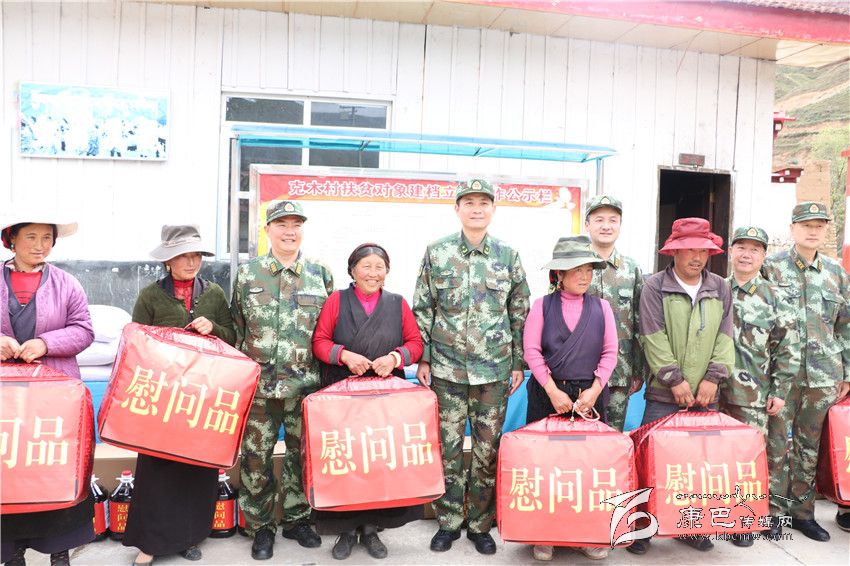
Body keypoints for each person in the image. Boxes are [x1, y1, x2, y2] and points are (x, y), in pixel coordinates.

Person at [413, 179, 530, 556]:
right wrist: (425, 356)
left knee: (486, 451)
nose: (476, 209)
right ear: (457, 209)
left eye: (483, 203)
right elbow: (423, 307)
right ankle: (448, 522)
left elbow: (519, 312)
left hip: (494, 371)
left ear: (493, 209)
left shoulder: (508, 256)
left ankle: (480, 524)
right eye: (469, 203)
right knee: (447, 448)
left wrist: (517, 362)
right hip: (446, 370)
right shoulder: (438, 252)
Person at [123, 225, 236, 566]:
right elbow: (136, 341)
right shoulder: (150, 296)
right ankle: (150, 542)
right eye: (183, 256)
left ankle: (190, 536)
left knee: (196, 468)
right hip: (162, 395)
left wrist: (213, 328)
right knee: (157, 469)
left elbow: (232, 337)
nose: (191, 262)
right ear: (168, 261)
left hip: (202, 394)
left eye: (196, 255)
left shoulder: (214, 294)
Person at [232, 200, 334, 561]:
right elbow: (237, 329)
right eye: (281, 225)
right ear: (268, 230)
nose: (289, 232)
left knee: (301, 454)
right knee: (255, 458)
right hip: (259, 388)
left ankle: (297, 519)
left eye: (296, 225)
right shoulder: (248, 274)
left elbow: (328, 331)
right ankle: (260, 526)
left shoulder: (320, 274)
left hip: (305, 386)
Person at [311, 243, 424, 560]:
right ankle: (345, 530)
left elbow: (416, 343)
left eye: (379, 267)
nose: (373, 273)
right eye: (366, 266)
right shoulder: (337, 300)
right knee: (346, 461)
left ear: (387, 272)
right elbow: (319, 342)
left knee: (377, 460)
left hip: (384, 396)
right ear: (352, 271)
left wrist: (395, 358)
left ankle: (373, 528)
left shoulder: (397, 304)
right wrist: (344, 355)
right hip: (342, 394)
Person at [631, 217, 734, 555]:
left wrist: (713, 377)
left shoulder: (719, 287)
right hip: (663, 393)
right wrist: (674, 379)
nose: (697, 257)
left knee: (697, 465)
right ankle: (642, 528)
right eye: (689, 249)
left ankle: (690, 526)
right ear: (673, 251)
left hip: (706, 394)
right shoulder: (655, 286)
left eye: (703, 250)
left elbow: (725, 335)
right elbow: (652, 336)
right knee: (650, 459)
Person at [0, 215, 95, 566]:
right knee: (8, 469)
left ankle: (60, 551)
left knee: (53, 466)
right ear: (11, 239)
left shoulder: (67, 284)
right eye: (31, 237)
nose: (40, 245)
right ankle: (11, 553)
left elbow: (83, 330)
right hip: (5, 401)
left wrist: (45, 343)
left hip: (53, 398)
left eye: (46, 238)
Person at [522, 235, 617, 562]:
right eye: (576, 269)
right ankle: (544, 535)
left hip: (589, 397)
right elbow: (532, 351)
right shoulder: (542, 306)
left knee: (587, 469)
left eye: (588, 269)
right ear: (559, 274)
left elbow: (610, 352)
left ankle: (586, 535)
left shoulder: (602, 308)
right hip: (548, 394)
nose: (584, 275)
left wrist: (594, 390)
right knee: (546, 467)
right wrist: (552, 391)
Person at [762, 202, 850, 542]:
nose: (813, 231)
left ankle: (803, 514)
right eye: (806, 225)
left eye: (819, 226)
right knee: (775, 445)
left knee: (809, 448)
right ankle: (773, 512)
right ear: (793, 228)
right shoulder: (771, 268)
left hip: (824, 376)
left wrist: (847, 374)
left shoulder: (836, 273)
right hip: (781, 377)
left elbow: (845, 326)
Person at [720, 226, 800, 547]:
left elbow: (788, 348)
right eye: (741, 247)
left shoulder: (774, 297)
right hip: (715, 392)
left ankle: (753, 518)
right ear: (731, 251)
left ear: (764, 256)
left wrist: (780, 391)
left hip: (755, 395)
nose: (746, 254)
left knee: (756, 457)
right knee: (721, 457)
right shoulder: (717, 289)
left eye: (755, 249)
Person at [583, 195, 645, 432]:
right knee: (578, 438)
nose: (606, 226)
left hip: (620, 372)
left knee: (613, 438)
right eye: (599, 220)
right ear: (587, 224)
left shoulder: (631, 269)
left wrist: (639, 370)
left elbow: (640, 322)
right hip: (579, 371)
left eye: (613, 220)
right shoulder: (573, 266)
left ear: (620, 225)